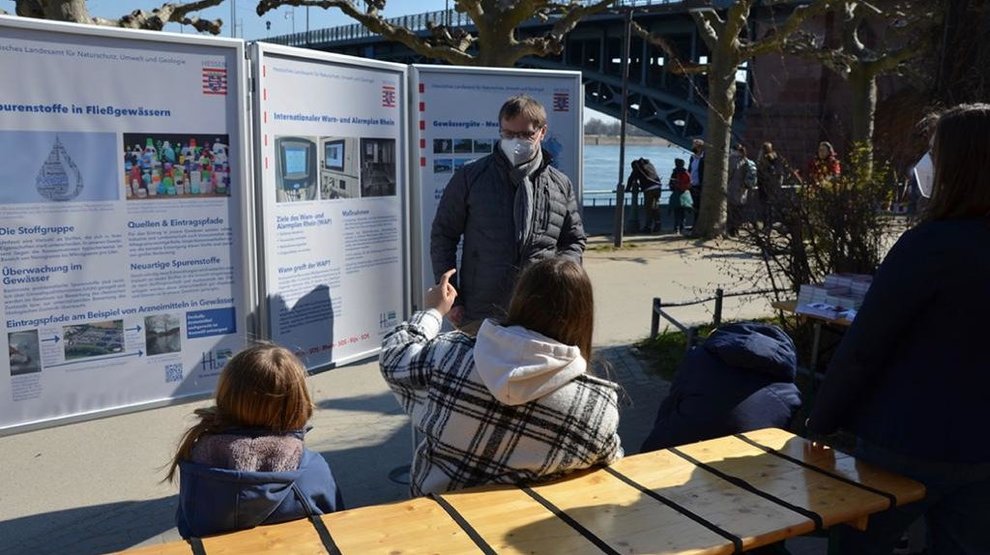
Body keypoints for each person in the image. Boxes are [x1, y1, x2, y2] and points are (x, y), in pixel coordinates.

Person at [806, 103, 990, 555]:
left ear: (957, 167)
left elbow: (866, 346)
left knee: (858, 546)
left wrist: (821, 419)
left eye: (935, 152)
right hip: (982, 449)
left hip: (906, 438)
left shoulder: (929, 246)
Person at [380, 258, 623, 496]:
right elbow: (612, 465)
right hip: (535, 531)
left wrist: (434, 311)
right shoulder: (597, 408)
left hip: (437, 520)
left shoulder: (449, 356)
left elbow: (394, 355)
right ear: (584, 319)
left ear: (519, 300)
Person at [431, 95, 586, 332]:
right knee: (476, 369)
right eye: (508, 134)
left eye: (525, 135)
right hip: (480, 310)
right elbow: (444, 235)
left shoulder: (560, 184)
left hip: (540, 310)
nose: (516, 141)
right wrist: (453, 297)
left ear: (542, 132)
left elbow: (573, 241)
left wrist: (560, 284)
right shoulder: (471, 177)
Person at [166, 344, 343, 539]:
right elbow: (333, 527)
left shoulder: (197, 460)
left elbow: (185, 525)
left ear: (226, 394)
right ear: (296, 402)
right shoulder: (310, 469)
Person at [641, 322, 801, 452]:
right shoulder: (789, 393)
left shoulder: (698, 359)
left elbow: (670, 404)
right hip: (751, 464)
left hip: (677, 447)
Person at [726, 144, 756, 236]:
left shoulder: (732, 160)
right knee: (739, 209)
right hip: (743, 189)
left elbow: (729, 174)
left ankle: (731, 229)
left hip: (732, 188)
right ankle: (737, 228)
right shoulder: (745, 160)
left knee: (731, 209)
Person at [627, 158, 663, 233]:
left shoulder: (637, 166)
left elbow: (631, 178)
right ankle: (658, 225)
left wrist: (627, 189)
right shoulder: (650, 165)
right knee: (655, 207)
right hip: (658, 187)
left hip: (649, 189)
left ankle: (648, 227)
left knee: (648, 208)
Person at [669, 158, 692, 234]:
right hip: (685, 193)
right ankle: (682, 227)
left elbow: (671, 183)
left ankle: (677, 228)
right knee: (682, 211)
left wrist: (674, 186)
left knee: (677, 211)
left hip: (677, 192)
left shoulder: (675, 172)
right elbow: (689, 183)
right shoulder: (686, 172)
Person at [688, 138, 705, 226]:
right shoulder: (692, 158)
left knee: (699, 206)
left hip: (700, 186)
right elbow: (690, 170)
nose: (692, 147)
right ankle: (695, 224)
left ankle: (698, 224)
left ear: (699, 147)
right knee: (694, 206)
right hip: (692, 185)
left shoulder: (705, 158)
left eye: (694, 146)